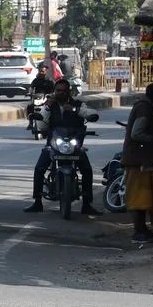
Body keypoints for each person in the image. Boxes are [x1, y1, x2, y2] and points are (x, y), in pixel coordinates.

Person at [24, 78, 98, 215]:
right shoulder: (49, 106)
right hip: (54, 144)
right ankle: (37, 202)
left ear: (69, 92)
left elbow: (91, 113)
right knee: (39, 168)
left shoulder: (78, 104)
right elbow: (41, 126)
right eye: (58, 90)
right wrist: (47, 108)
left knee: (87, 170)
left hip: (74, 145)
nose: (61, 93)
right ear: (54, 91)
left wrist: (75, 110)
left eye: (64, 91)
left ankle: (87, 204)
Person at [120, 82, 153, 243]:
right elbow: (137, 133)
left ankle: (143, 229)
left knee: (144, 197)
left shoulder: (146, 106)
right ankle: (139, 232)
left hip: (143, 159)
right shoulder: (144, 108)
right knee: (139, 198)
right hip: (138, 160)